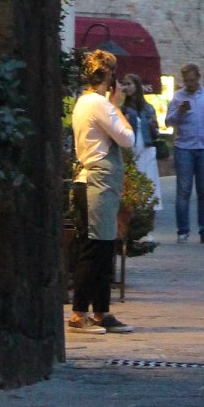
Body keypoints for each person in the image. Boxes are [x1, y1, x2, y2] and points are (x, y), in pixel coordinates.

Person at [70, 51, 135, 332]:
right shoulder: (100, 104)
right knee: (96, 247)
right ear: (109, 76)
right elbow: (127, 138)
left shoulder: (82, 102)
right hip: (99, 179)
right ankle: (80, 314)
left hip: (88, 178)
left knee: (100, 247)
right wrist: (117, 106)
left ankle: (100, 311)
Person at [165, 63, 204, 243]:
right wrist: (179, 112)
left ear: (198, 78)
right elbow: (168, 121)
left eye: (193, 80)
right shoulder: (178, 97)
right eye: (187, 81)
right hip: (184, 148)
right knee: (183, 191)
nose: (190, 84)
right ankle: (183, 231)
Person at [122, 74, 162, 232]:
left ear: (137, 86)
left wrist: (153, 126)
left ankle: (149, 227)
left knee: (151, 187)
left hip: (147, 150)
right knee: (132, 188)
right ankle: (131, 227)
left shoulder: (148, 108)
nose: (126, 87)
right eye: (124, 84)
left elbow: (155, 133)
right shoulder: (123, 109)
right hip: (131, 151)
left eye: (129, 84)